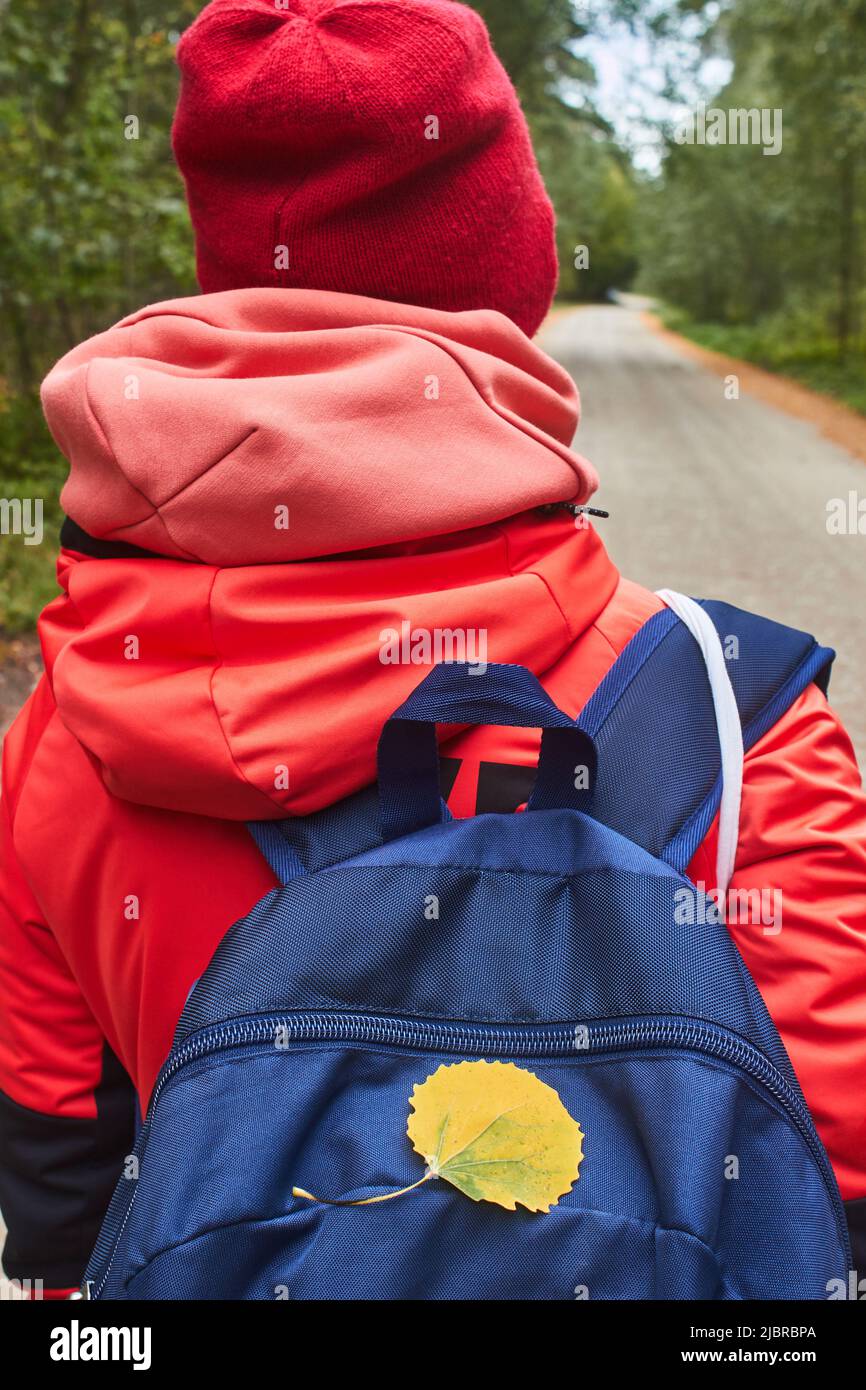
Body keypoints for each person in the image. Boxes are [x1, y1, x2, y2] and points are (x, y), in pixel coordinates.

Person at [1, 0, 864, 1296]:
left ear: (221, 280)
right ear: (513, 276)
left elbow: (68, 1215)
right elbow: (830, 1183)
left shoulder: (67, 732)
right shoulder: (737, 723)